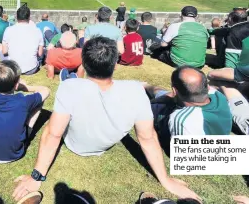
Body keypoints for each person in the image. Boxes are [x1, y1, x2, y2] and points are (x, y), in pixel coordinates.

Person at [12, 37, 201, 203]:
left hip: (75, 143)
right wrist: (166, 180)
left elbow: (53, 134)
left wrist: (36, 177)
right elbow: (147, 138)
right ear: (115, 65)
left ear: (84, 64)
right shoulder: (136, 90)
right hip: (102, 141)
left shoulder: (69, 88)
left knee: (70, 90)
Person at [0, 61, 50, 163]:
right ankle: (28, 129)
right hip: (14, 154)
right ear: (16, 85)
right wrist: (25, 87)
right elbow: (46, 90)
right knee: (39, 102)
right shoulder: (23, 102)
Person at [147, 66, 233, 146]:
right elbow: (170, 95)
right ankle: (145, 86)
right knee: (163, 95)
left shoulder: (182, 120)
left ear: (174, 90)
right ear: (207, 86)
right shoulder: (218, 95)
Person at [0, 5, 44, 75]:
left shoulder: (8, 30)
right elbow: (40, 54)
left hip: (13, 69)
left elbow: (4, 52)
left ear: (17, 17)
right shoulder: (37, 31)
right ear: (29, 17)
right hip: (32, 68)